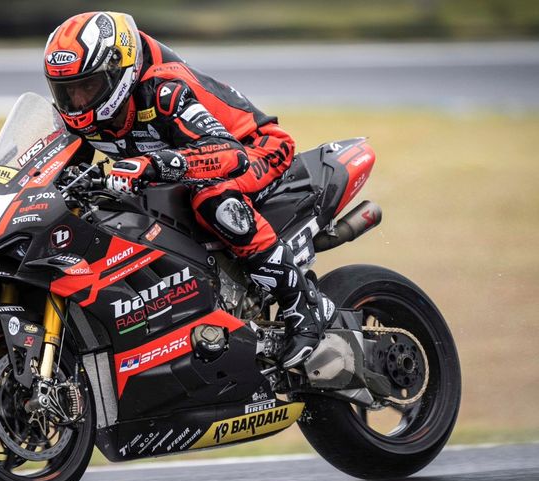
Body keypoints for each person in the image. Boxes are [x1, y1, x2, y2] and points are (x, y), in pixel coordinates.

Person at [43, 12, 336, 368]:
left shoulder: (164, 89)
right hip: (190, 164)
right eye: (66, 90)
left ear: (117, 73)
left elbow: (227, 154)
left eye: (86, 86)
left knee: (212, 198)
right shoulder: (81, 113)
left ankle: (304, 304)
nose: (76, 100)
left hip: (257, 149)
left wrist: (154, 164)